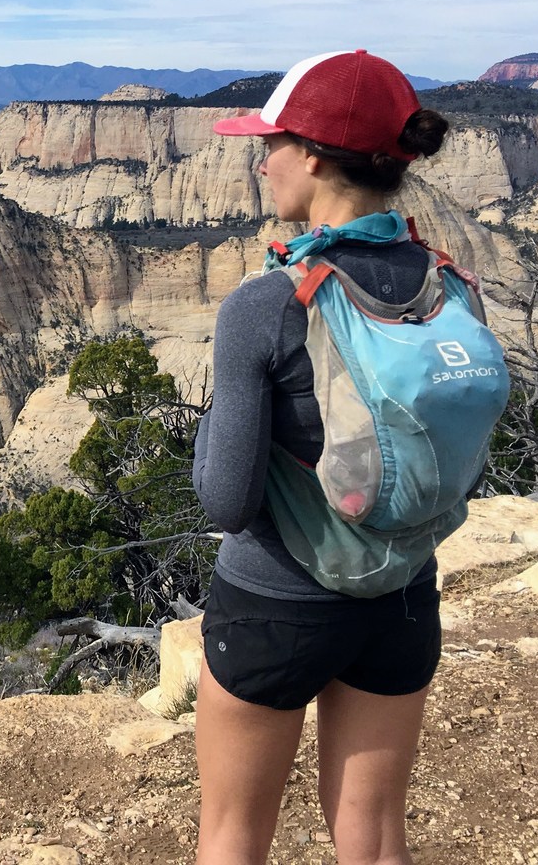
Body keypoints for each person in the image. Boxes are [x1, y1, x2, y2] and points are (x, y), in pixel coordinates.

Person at [192, 49, 452, 865]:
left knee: (234, 838)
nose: (261, 161)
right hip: (402, 597)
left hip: (273, 607)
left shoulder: (267, 303)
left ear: (310, 155)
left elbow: (226, 500)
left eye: (270, 143)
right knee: (374, 841)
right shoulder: (451, 287)